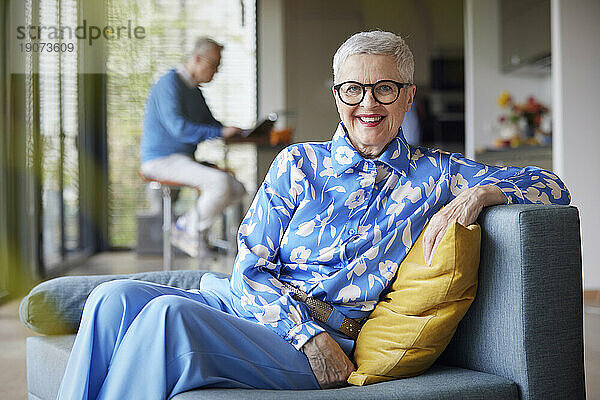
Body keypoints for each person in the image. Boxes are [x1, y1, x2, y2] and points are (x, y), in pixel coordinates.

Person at [58, 31, 570, 399]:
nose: (367, 104)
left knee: (169, 320)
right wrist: (308, 335)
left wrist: (478, 196)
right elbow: (250, 267)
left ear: (408, 95)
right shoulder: (298, 163)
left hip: (320, 339)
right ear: (337, 96)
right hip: (271, 318)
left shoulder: (436, 174)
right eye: (353, 89)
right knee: (111, 297)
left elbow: (554, 187)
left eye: (385, 88)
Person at [140, 36, 246, 256]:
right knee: (219, 183)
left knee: (237, 189)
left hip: (182, 160)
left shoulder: (195, 91)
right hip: (160, 160)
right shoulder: (168, 84)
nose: (216, 71)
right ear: (198, 59)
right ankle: (186, 230)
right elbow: (179, 128)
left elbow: (211, 124)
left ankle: (192, 229)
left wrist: (234, 130)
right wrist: (219, 132)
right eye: (214, 64)